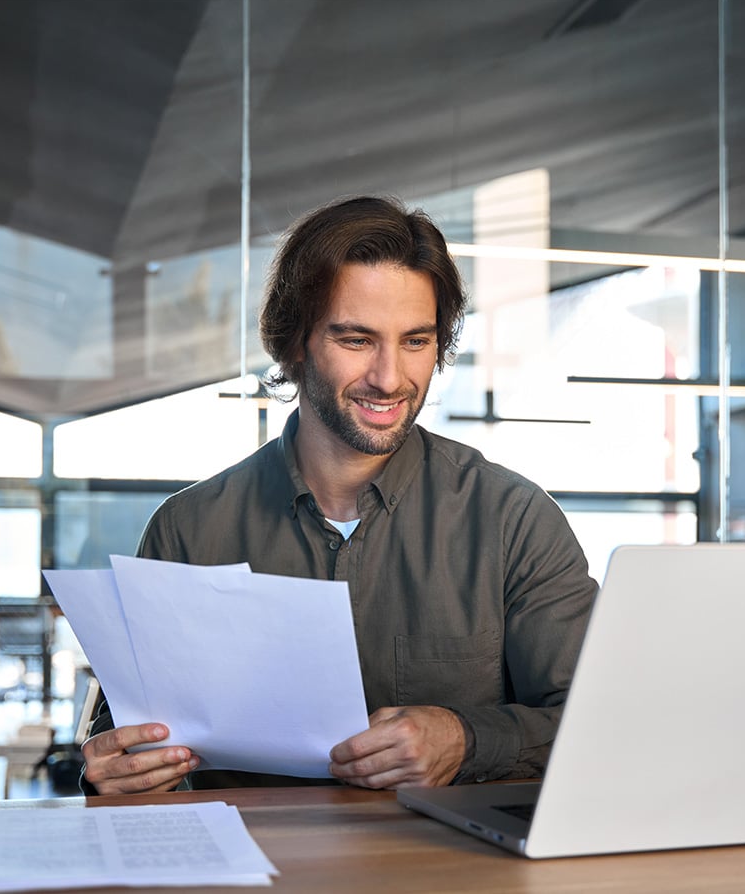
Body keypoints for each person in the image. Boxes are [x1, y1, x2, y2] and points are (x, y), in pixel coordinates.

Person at [81, 195, 597, 796]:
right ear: (294, 342)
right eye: (357, 340)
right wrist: (118, 770)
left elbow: (599, 723)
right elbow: (117, 745)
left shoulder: (514, 521)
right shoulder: (188, 530)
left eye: (416, 341)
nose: (389, 377)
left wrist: (466, 738)